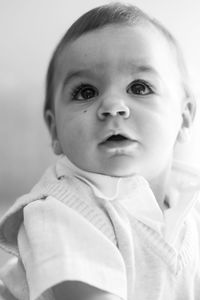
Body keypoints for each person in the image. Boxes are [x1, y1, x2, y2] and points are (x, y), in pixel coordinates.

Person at [0, 2, 199, 300]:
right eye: (86, 92)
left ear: (183, 118)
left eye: (140, 87)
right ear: (55, 131)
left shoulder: (191, 198)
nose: (112, 106)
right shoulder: (60, 211)